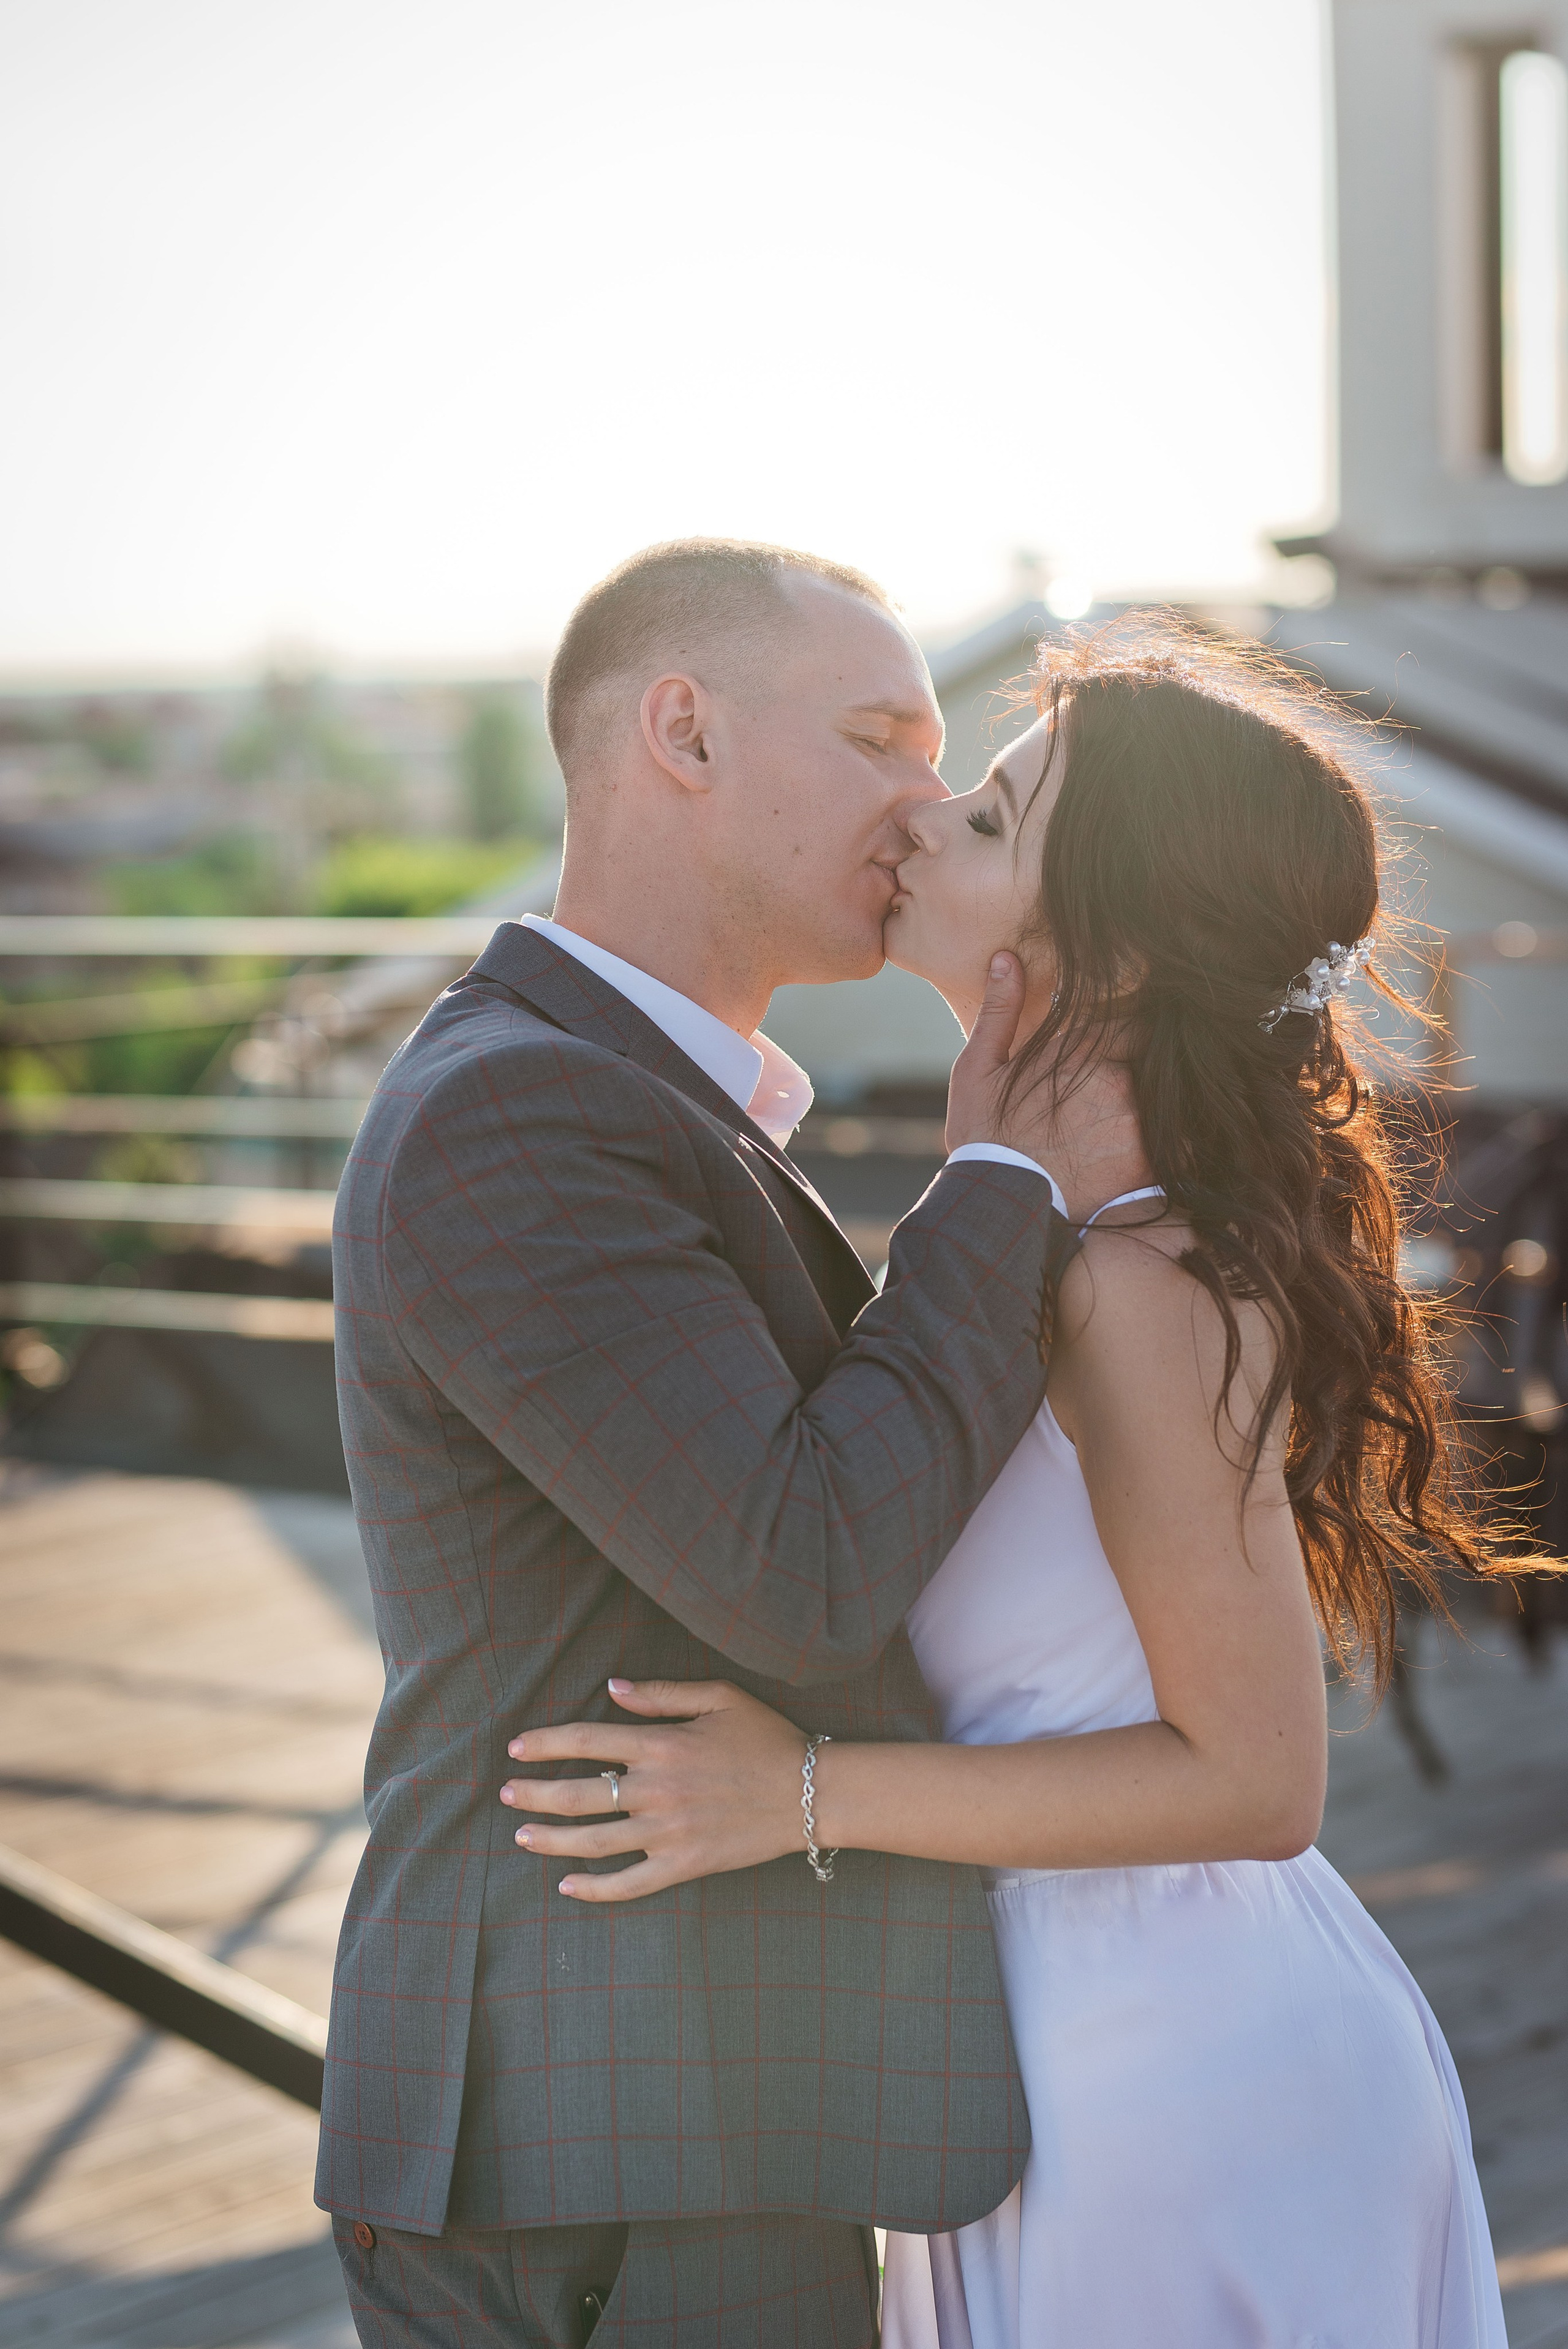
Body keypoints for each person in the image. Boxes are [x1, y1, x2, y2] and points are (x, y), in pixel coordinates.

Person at [504, 617, 1520, 2347]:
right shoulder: (1045, 1247)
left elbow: (1259, 1775)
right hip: (1065, 2059)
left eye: (986, 815)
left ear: (1102, 950)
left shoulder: (1134, 1289)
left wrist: (802, 1793)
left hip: (1177, 2079)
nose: (916, 823)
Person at [318, 539, 1145, 2349]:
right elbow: (806, 1562)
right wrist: (997, 1178)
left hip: (663, 2118)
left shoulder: (622, 1096)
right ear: (680, 732)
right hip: (605, 2143)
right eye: (876, 737)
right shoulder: (518, 1116)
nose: (927, 798)